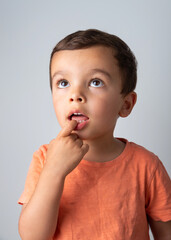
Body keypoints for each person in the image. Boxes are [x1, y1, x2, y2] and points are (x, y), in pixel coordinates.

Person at [18, 29, 171, 240]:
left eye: (95, 82)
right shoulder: (45, 159)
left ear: (126, 104)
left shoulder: (147, 166)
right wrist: (54, 171)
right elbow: (32, 236)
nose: (75, 95)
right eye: (63, 83)